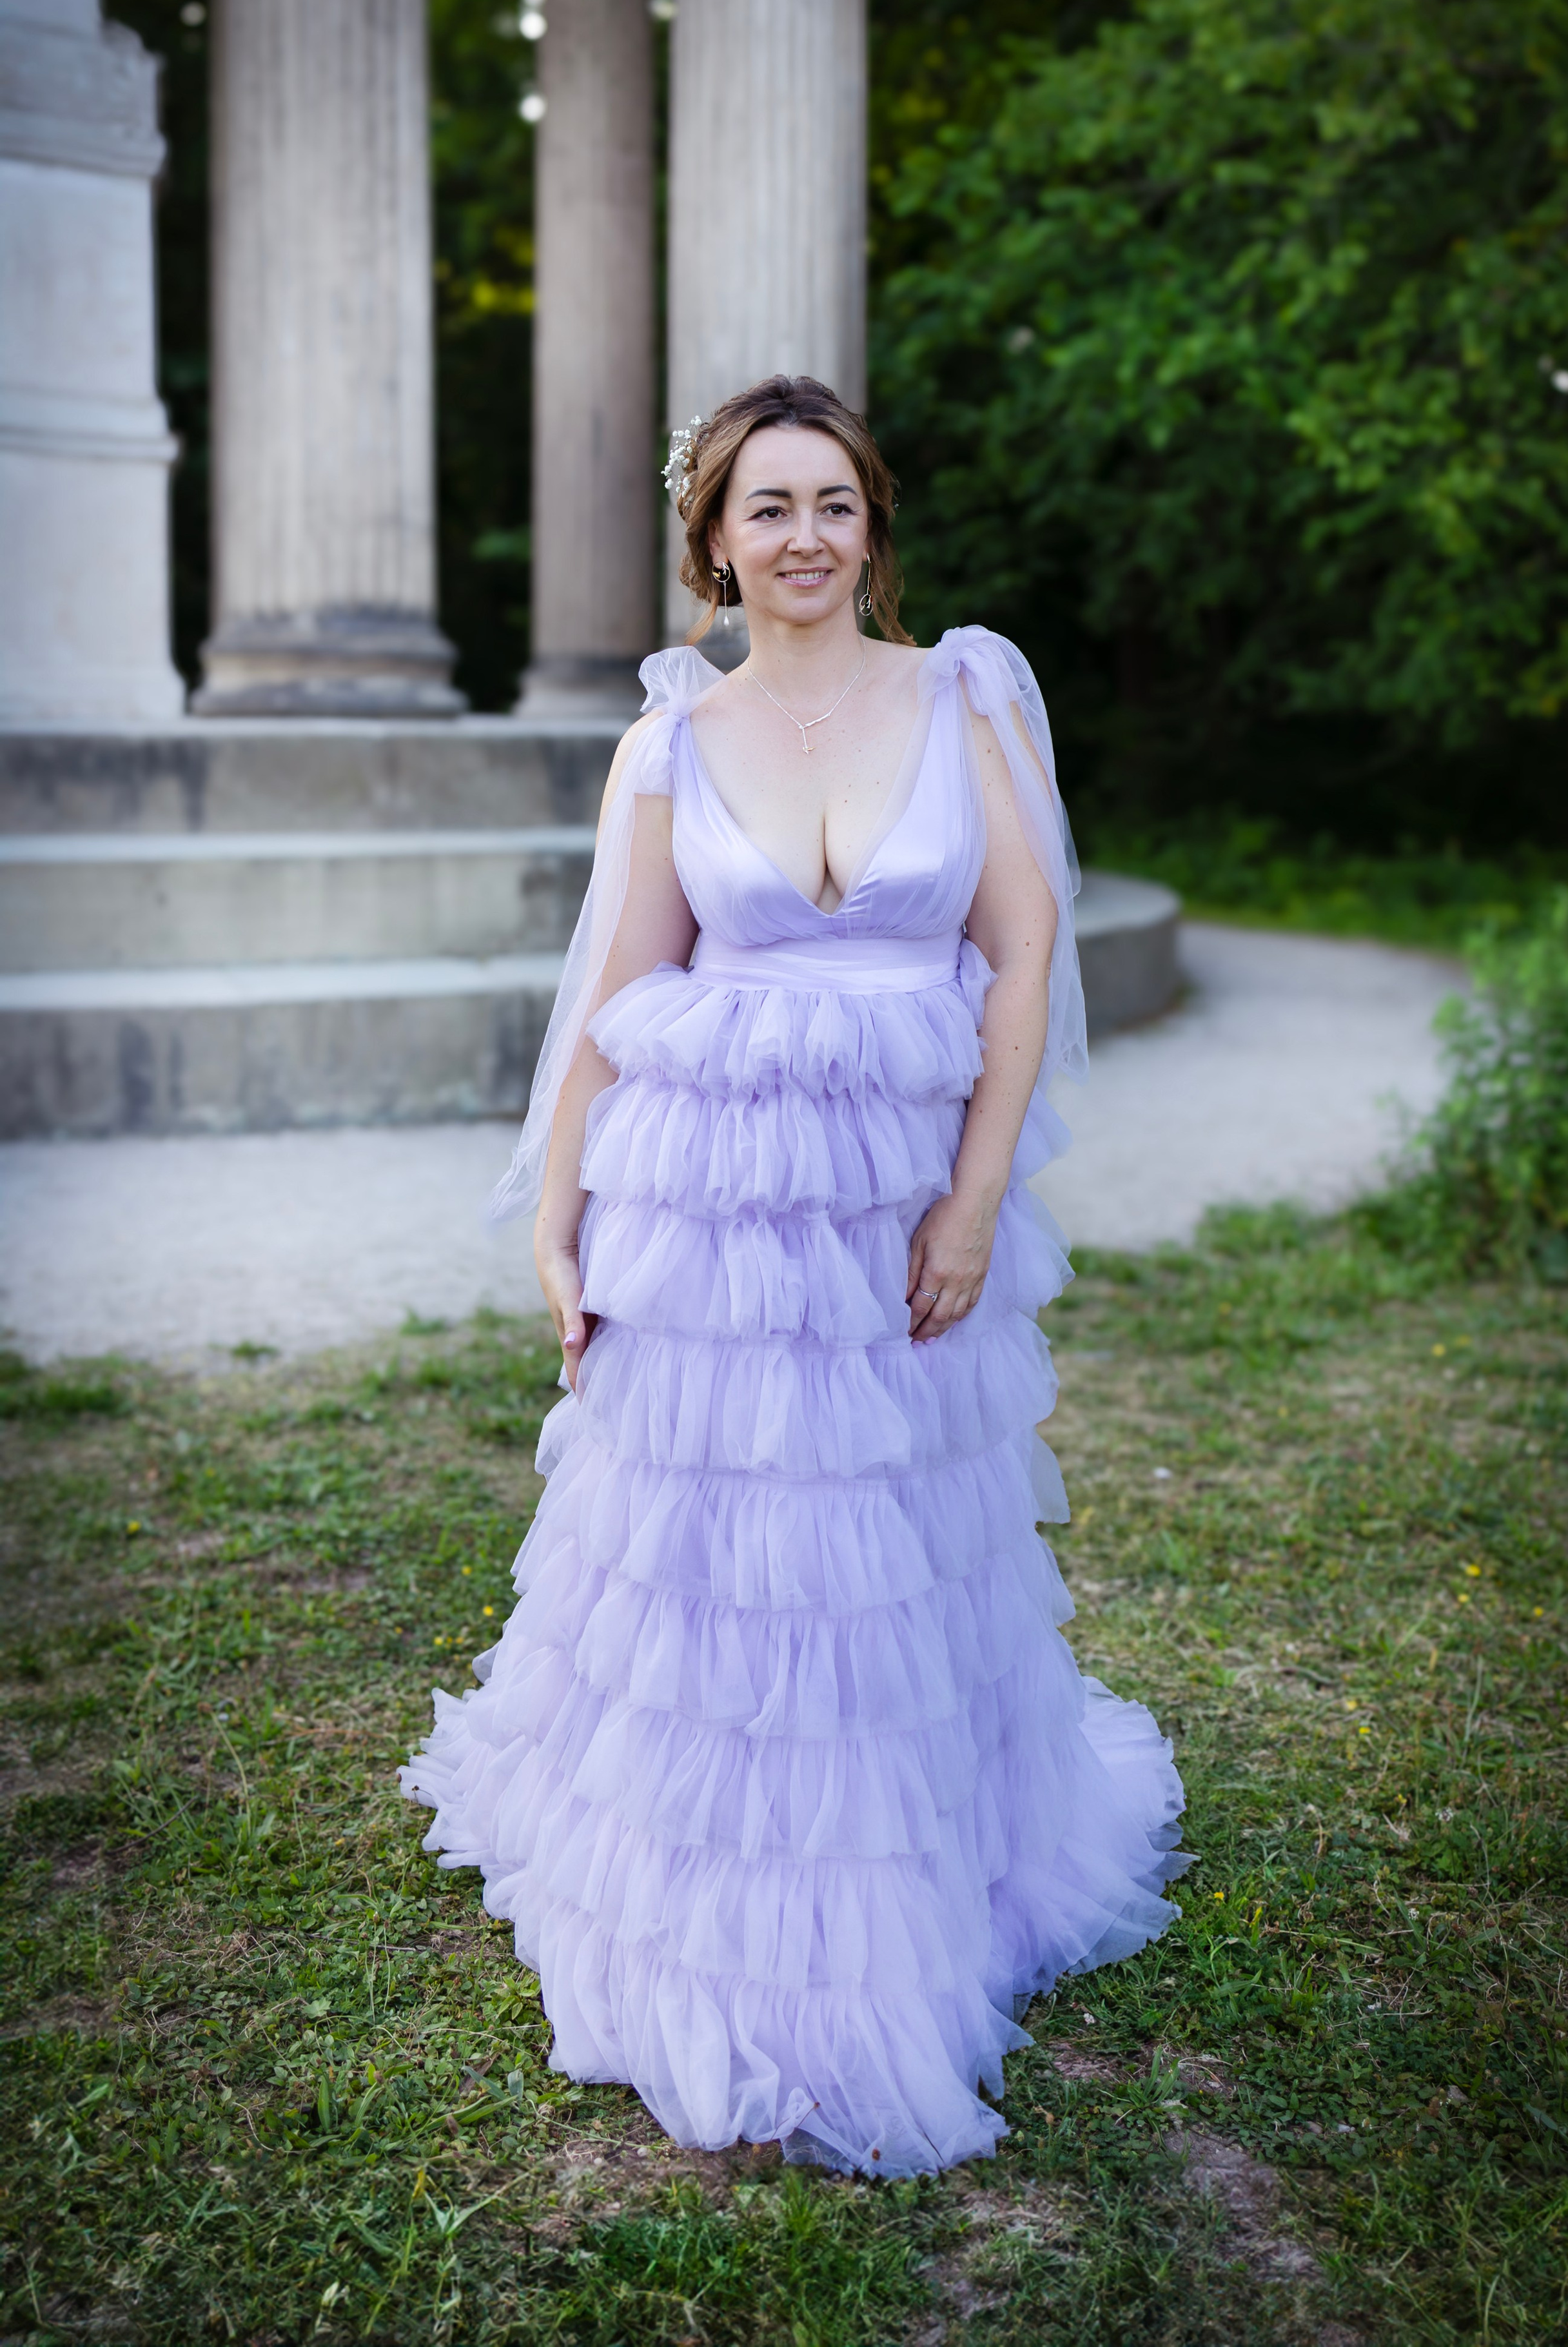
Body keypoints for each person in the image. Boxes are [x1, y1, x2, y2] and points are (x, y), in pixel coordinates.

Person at [400, 374, 1188, 2177]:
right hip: (718, 1216)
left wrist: (977, 1201)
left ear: (873, 529)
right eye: (771, 507)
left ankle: (915, 1867)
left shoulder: (960, 695)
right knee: (731, 1560)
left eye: (836, 503)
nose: (807, 537)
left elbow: (1022, 938)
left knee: (891, 1546)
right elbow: (618, 980)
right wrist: (560, 1211)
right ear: (715, 543)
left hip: (901, 1198)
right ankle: (731, 1900)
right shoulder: (671, 740)